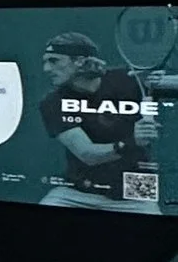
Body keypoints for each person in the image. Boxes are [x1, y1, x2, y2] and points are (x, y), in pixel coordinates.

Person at [37, 27, 160, 209]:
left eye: (54, 61)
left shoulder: (130, 79)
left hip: (136, 188)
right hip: (77, 191)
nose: (46, 69)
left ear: (79, 61)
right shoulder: (52, 102)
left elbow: (165, 85)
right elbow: (88, 154)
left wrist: (163, 82)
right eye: (45, 62)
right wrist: (132, 142)